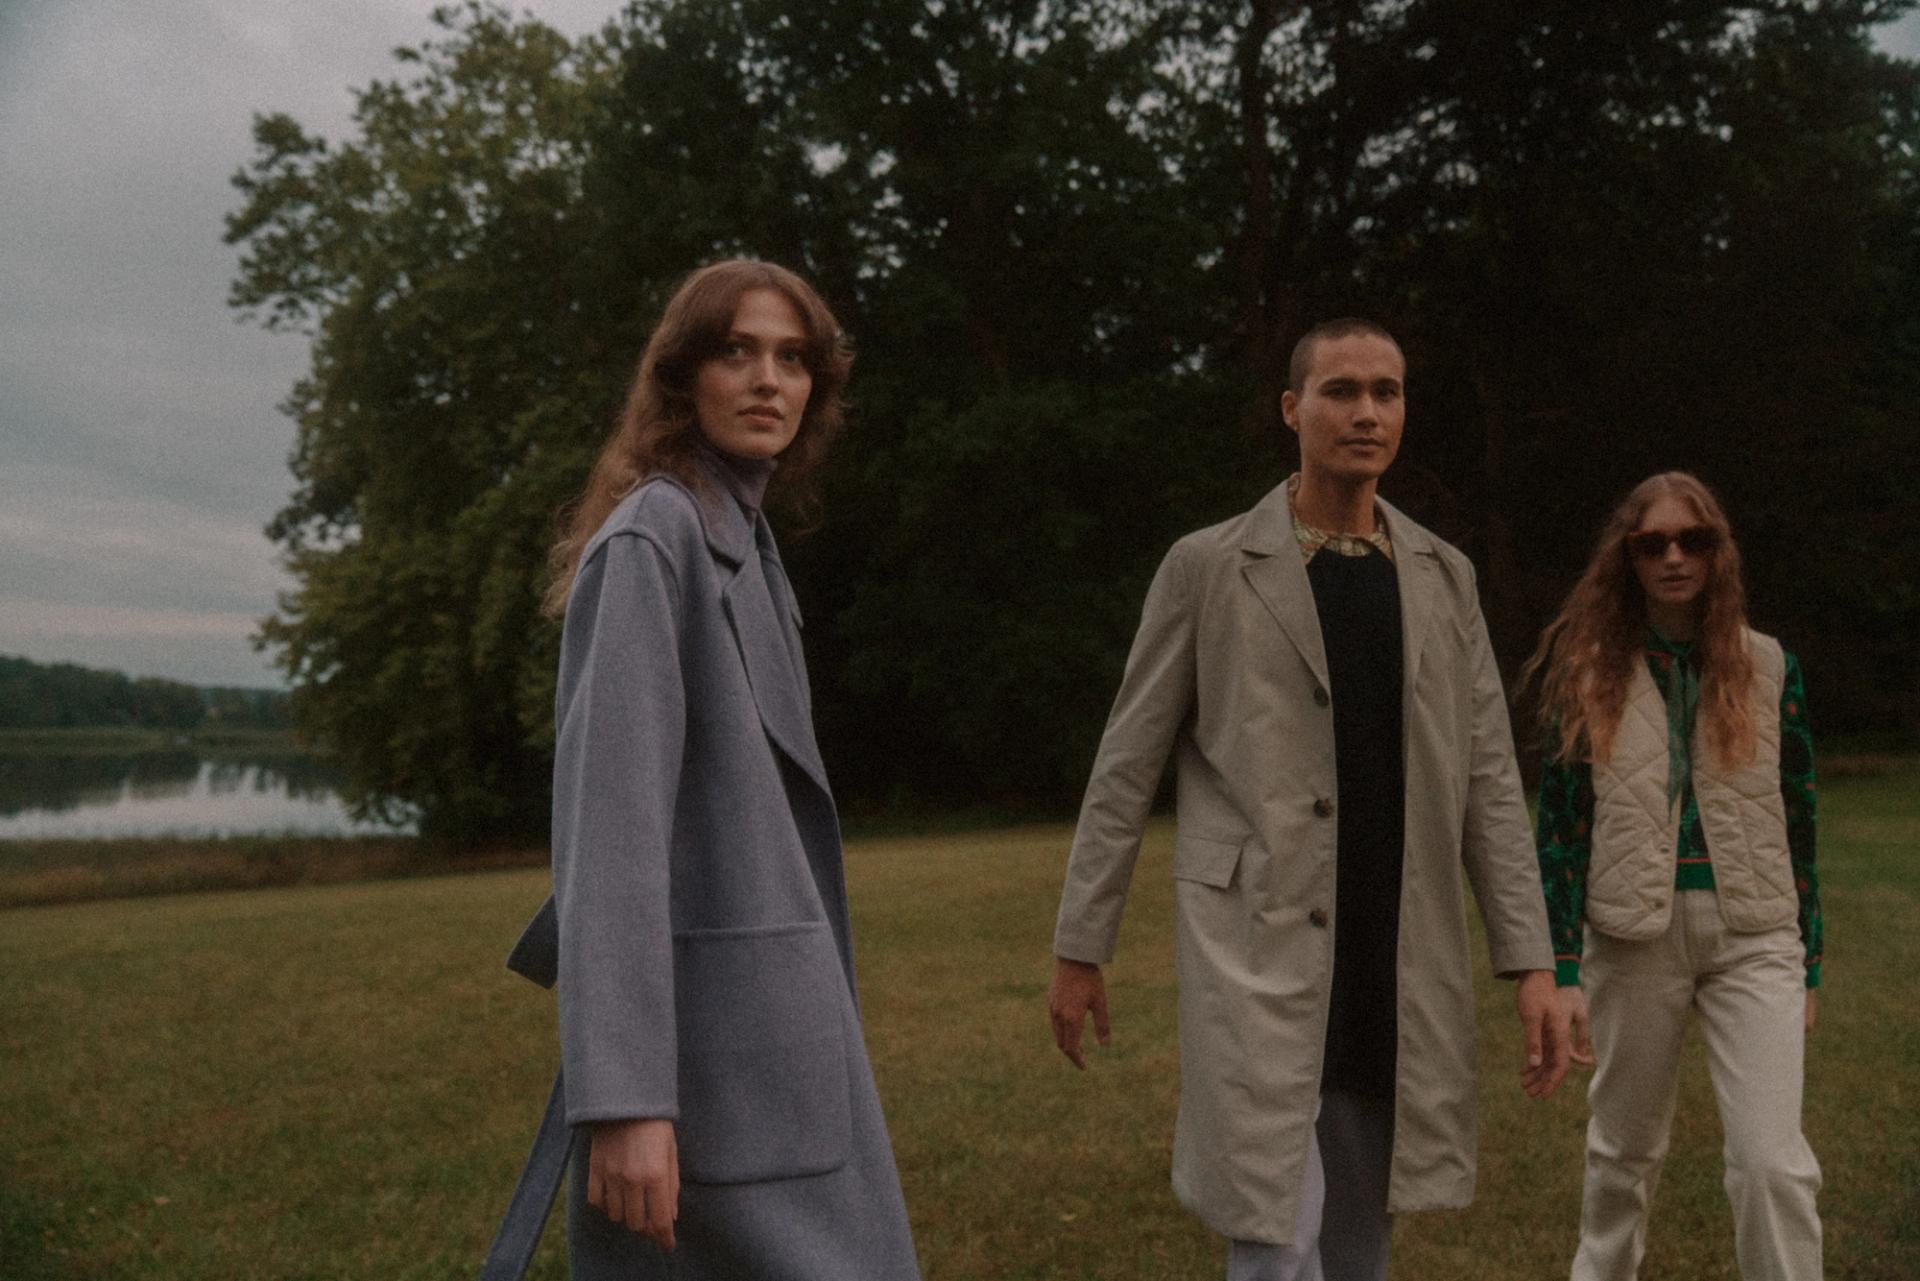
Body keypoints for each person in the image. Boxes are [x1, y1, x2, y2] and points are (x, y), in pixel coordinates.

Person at [1047, 318, 1570, 1281]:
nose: (1366, 412)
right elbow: (1125, 765)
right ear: (1293, 409)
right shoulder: (1207, 567)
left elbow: (1491, 780)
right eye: (1341, 390)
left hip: (1392, 947)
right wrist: (1082, 942)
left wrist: (1532, 961)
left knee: (1361, 1235)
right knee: (1274, 1233)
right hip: (1255, 941)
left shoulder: (1443, 576)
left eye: (1386, 391)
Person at [483, 260, 920, 1281]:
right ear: (682, 376)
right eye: (737, 351)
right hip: (706, 1062)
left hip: (766, 1046)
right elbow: (610, 840)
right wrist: (626, 1100)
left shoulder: (744, 538)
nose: (769, 380)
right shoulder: (655, 538)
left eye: (793, 358)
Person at [1525, 471, 1823, 1281]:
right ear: (1628, 557)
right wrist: (1560, 966)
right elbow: (1561, 828)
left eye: (1693, 539)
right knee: (1622, 1155)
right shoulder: (1589, 669)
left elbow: (1799, 813)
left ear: (1717, 551)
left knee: (1771, 1163)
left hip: (1755, 935)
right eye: (1652, 543)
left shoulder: (1768, 666)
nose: (1674, 557)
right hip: (1631, 937)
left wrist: (1811, 961)